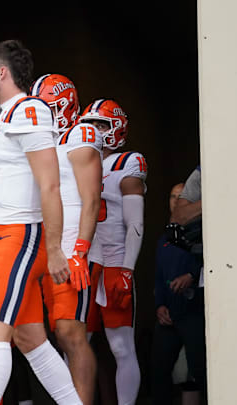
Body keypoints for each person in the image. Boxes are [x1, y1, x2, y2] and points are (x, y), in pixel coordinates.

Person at [0, 40, 82, 405]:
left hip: (19, 234)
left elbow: (49, 183)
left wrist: (54, 249)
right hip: (7, 233)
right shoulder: (5, 113)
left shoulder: (28, 110)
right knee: (29, 338)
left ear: (2, 72)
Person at [31, 73, 103, 404]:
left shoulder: (80, 134)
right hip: (40, 247)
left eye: (48, 107)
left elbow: (91, 199)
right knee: (41, 334)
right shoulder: (38, 141)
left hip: (70, 244)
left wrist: (81, 250)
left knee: (71, 332)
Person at [79, 99, 147, 405]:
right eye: (90, 124)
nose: (95, 131)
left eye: (102, 125)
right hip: (85, 262)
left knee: (121, 347)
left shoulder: (127, 162)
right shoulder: (74, 159)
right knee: (77, 342)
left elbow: (135, 222)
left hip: (114, 261)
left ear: (118, 129)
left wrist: (127, 269)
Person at [152, 183, 206, 405]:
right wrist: (159, 306)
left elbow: (210, 265)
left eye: (180, 197)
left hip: (193, 311)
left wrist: (191, 276)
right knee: (158, 371)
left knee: (200, 369)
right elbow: (158, 278)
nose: (176, 201)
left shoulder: (202, 233)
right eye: (172, 196)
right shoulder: (164, 239)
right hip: (168, 314)